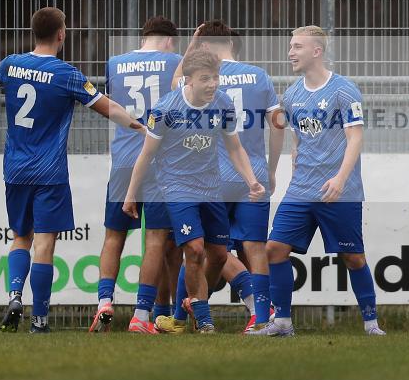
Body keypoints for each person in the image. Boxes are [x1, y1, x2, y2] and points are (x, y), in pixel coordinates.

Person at [0, 7, 140, 334]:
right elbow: (106, 106)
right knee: (44, 244)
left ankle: (14, 295)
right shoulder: (66, 74)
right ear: (61, 34)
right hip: (49, 172)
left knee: (20, 237)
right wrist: (137, 125)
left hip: (15, 169)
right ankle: (39, 320)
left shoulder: (11, 64)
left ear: (34, 33)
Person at [249, 25, 385, 337]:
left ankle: (371, 324)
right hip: (301, 190)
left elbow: (355, 138)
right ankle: (282, 323)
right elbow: (297, 139)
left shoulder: (344, 90)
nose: (290, 53)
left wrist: (340, 179)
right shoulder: (292, 95)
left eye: (297, 47)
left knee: (353, 257)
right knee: (274, 249)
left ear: (317, 51)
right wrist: (295, 162)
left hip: (339, 191)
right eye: (290, 46)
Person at [124, 48, 265, 333]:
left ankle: (187, 308)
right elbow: (146, 154)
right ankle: (204, 319)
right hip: (176, 187)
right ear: (188, 80)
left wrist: (251, 180)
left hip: (211, 188)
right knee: (195, 248)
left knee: (219, 255)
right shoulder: (166, 109)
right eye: (205, 79)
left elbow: (234, 148)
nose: (212, 84)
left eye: (215, 77)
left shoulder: (223, 104)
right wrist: (130, 194)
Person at [155, 23, 284, 334]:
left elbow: (175, 85)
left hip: (212, 176)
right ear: (232, 43)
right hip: (251, 170)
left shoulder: (202, 75)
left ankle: (184, 315)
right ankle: (260, 315)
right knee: (254, 248)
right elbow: (278, 125)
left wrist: (192, 44)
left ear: (204, 47)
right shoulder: (259, 75)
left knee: (201, 248)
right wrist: (270, 169)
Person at [89, 16, 183, 334]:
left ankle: (104, 302)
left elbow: (111, 105)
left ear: (144, 38)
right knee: (156, 239)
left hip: (123, 160)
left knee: (114, 235)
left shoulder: (115, 63)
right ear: (169, 40)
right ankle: (141, 316)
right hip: (159, 161)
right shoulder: (176, 62)